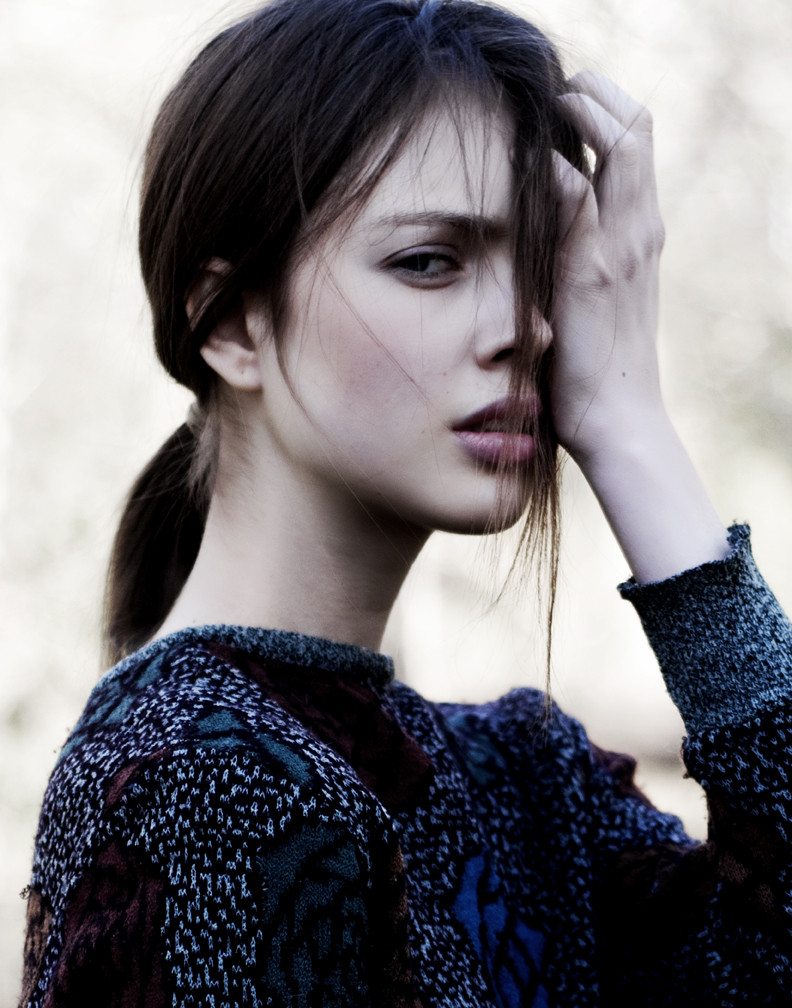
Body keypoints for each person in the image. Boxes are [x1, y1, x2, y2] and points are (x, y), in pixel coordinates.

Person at [18, 0, 791, 1004]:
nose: (527, 327)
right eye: (430, 261)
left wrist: (630, 430)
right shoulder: (203, 781)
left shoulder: (525, 783)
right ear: (232, 324)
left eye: (541, 265)